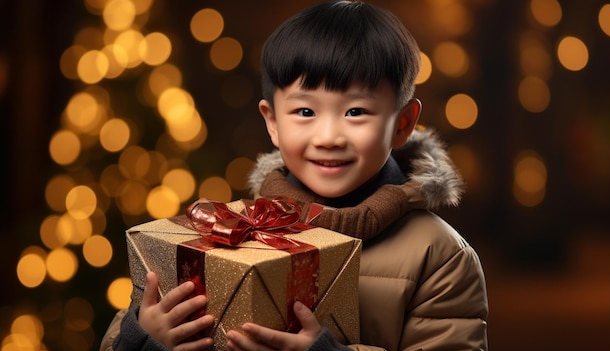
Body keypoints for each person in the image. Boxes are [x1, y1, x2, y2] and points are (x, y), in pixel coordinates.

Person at [100, 1, 488, 350]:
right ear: (272, 123)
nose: (329, 137)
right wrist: (142, 338)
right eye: (305, 112)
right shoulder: (237, 227)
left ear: (402, 123)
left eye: (356, 112)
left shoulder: (439, 256)